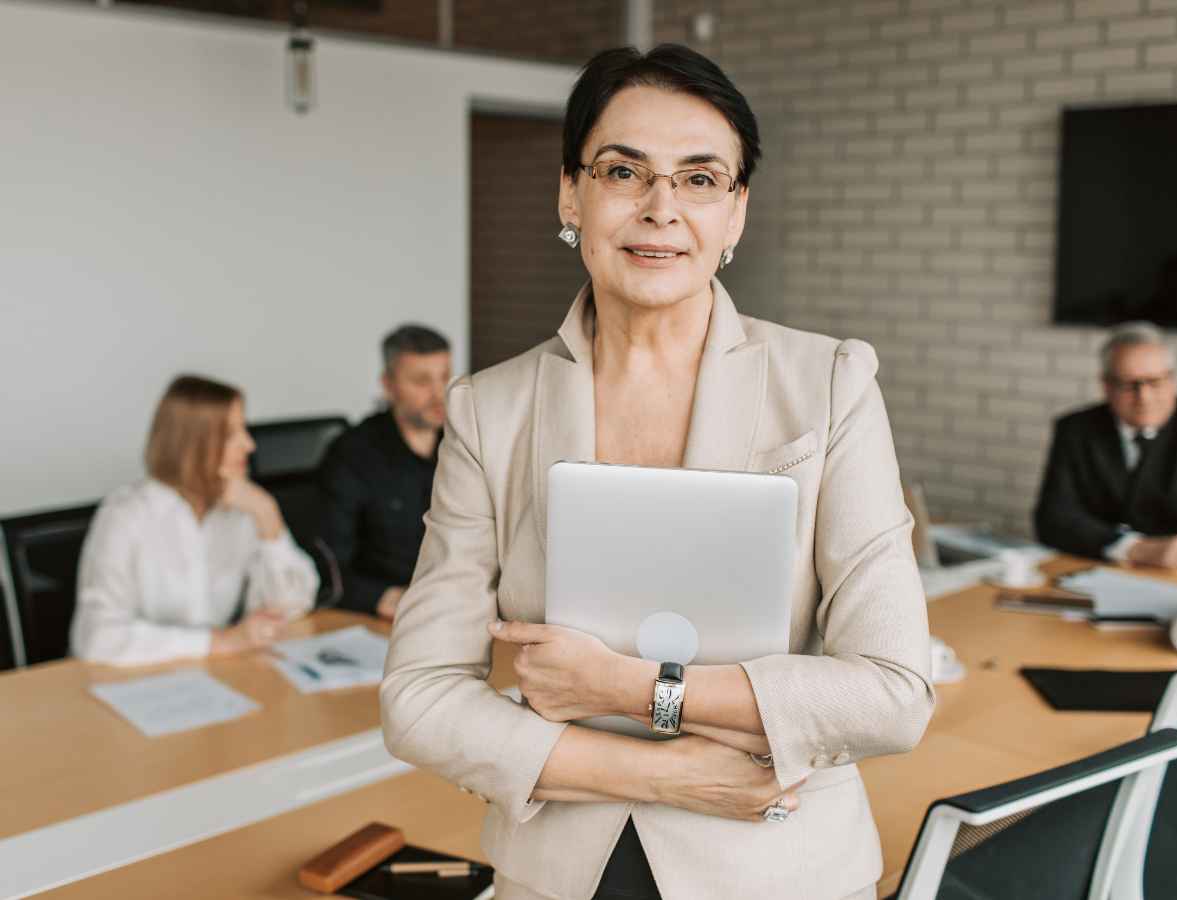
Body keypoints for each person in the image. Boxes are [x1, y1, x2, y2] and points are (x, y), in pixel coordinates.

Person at [380, 45, 933, 900]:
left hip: (780, 861)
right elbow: (418, 699)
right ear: (572, 193)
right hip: (555, 871)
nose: (660, 208)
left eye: (701, 179)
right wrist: (663, 775)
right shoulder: (491, 409)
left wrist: (632, 690)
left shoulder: (831, 384)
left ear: (737, 212)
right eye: (623, 171)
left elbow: (893, 695)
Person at [71, 375, 318, 665]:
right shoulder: (126, 515)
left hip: (210, 678)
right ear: (189, 444)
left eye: (244, 429)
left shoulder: (241, 508)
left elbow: (291, 606)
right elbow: (96, 638)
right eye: (230, 434)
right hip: (124, 685)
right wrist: (218, 642)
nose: (249, 445)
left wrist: (267, 515)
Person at [1035, 322, 1177, 570]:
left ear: (1173, 381)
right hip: (1090, 570)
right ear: (1106, 385)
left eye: (1154, 382)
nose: (1143, 397)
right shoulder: (1075, 429)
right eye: (1127, 384)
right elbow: (1053, 519)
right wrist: (1133, 548)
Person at [318, 325, 451, 619]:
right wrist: (379, 597)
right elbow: (327, 565)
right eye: (421, 381)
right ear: (388, 385)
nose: (440, 393)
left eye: (445, 377)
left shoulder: (464, 443)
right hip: (383, 613)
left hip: (457, 605)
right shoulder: (353, 453)